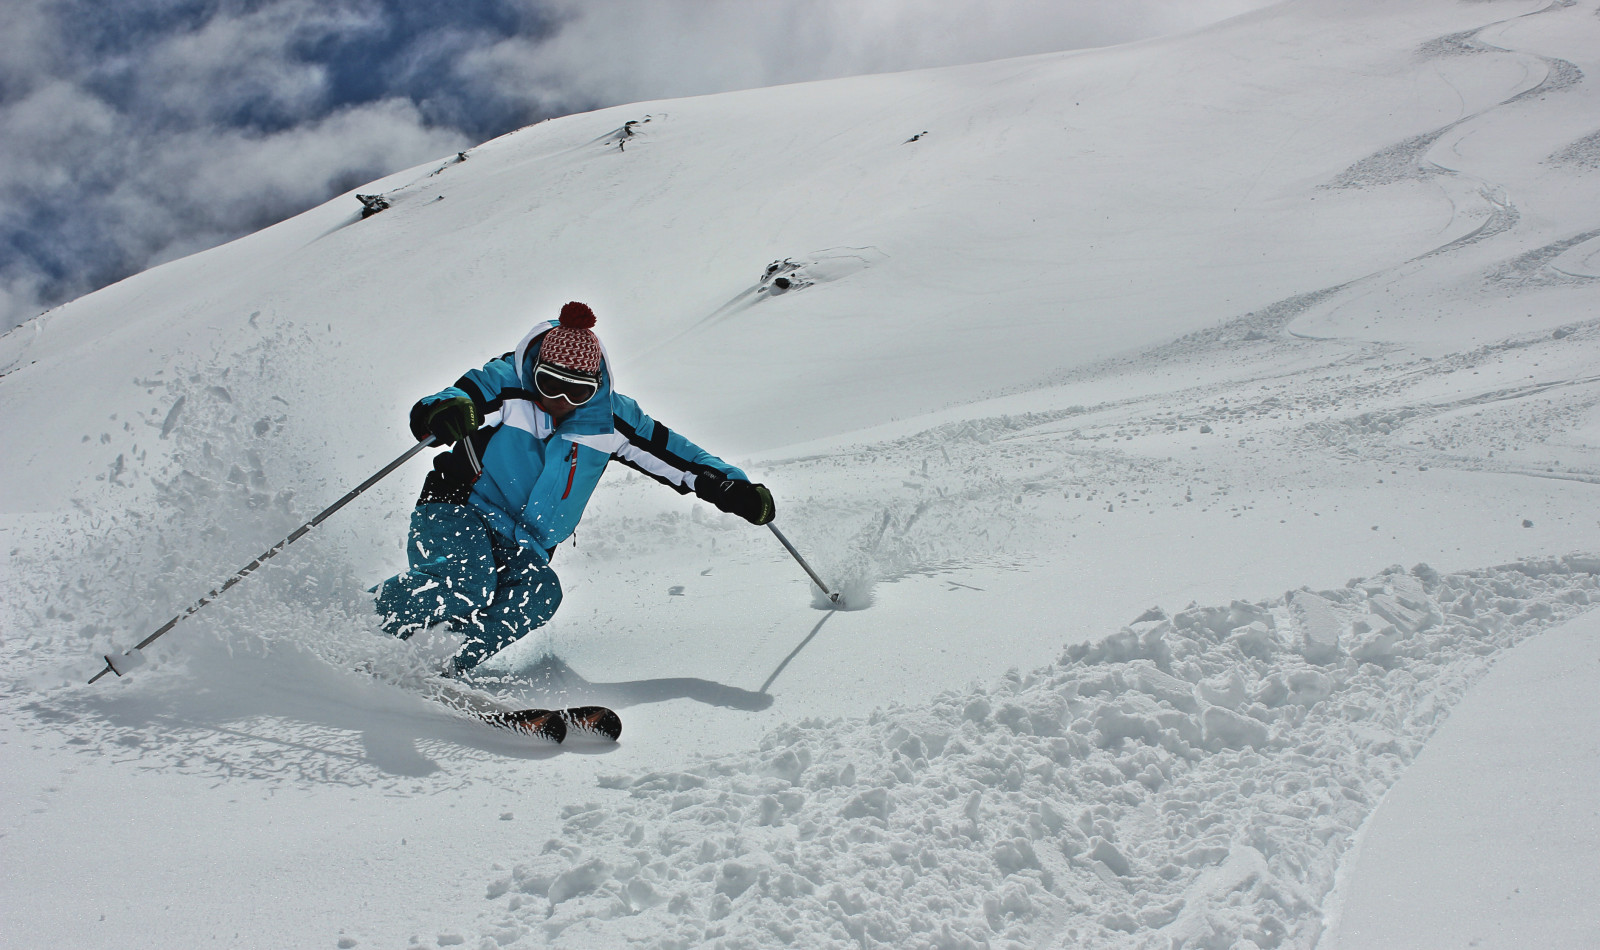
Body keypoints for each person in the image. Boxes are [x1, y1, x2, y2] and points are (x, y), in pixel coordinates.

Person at [373, 301, 774, 674]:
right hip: (459, 506)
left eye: (578, 391)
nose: (562, 401)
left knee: (538, 594)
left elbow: (679, 457)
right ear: (535, 372)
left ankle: (441, 660)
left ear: (594, 385)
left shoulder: (611, 420)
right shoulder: (505, 384)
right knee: (465, 583)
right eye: (550, 384)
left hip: (525, 541)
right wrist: (442, 411)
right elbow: (459, 396)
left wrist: (727, 487)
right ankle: (364, 623)